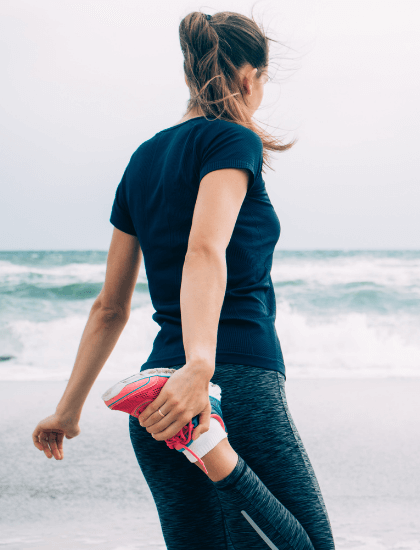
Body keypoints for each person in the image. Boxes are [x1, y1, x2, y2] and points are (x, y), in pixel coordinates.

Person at [31, 11, 335, 550]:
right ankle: (210, 445)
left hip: (153, 403)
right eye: (264, 80)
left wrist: (68, 410)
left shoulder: (143, 159)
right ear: (249, 78)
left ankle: (204, 437)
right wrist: (200, 368)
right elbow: (205, 248)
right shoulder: (231, 142)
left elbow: (110, 306)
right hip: (225, 383)